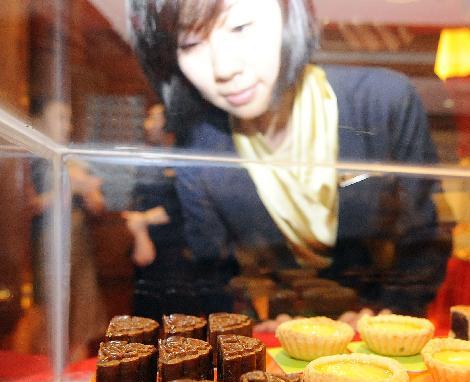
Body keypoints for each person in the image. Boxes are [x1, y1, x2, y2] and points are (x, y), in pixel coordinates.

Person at [130, 0, 451, 322]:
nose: (223, 68)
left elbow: (424, 234)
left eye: (241, 27)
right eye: (190, 44)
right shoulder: (201, 149)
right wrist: (250, 324)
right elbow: (212, 268)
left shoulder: (382, 102)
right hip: (277, 335)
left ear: (291, 16)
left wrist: (390, 312)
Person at [25, 97, 108, 360]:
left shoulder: (73, 157)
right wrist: (71, 186)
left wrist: (90, 191)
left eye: (69, 118)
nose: (67, 125)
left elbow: (97, 204)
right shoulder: (35, 156)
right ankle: (45, 366)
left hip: (78, 239)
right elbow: (30, 205)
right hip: (49, 240)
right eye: (60, 118)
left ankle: (78, 373)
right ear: (41, 121)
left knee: (82, 305)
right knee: (50, 307)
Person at [122, 103, 199, 319]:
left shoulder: (185, 157)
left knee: (180, 321)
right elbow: (137, 199)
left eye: (154, 118)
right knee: (146, 317)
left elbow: (184, 203)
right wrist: (140, 231)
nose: (148, 124)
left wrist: (144, 219)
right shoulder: (147, 159)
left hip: (178, 255)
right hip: (150, 254)